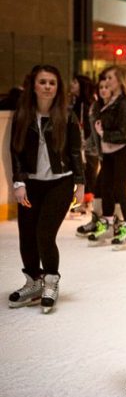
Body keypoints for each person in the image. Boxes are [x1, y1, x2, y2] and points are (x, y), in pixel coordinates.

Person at [9, 65, 85, 313]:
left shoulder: (67, 115)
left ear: (58, 87)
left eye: (52, 82)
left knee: (44, 234)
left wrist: (80, 185)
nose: (47, 87)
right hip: (31, 184)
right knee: (26, 236)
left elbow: (75, 152)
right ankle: (33, 281)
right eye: (42, 82)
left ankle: (51, 279)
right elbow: (16, 150)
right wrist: (19, 182)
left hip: (60, 183)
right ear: (33, 85)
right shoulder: (23, 115)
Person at [88, 66, 126, 249]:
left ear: (119, 81)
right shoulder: (107, 102)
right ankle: (108, 223)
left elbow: (124, 133)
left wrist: (103, 133)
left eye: (110, 78)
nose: (106, 81)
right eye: (106, 78)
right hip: (108, 152)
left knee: (119, 189)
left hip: (124, 150)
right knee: (105, 187)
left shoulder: (124, 103)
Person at [76, 74, 110, 239]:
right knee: (100, 188)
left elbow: (122, 133)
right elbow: (93, 136)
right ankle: (99, 220)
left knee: (111, 189)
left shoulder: (116, 107)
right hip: (103, 154)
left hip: (118, 154)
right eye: (101, 87)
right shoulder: (96, 107)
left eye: (107, 87)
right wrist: (85, 145)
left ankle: (114, 223)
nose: (104, 90)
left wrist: (104, 136)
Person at [70, 75, 96, 214]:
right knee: (85, 171)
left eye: (74, 82)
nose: (71, 84)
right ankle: (85, 201)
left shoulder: (86, 104)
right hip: (83, 144)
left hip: (88, 145)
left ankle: (88, 202)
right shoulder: (76, 102)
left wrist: (86, 143)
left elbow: (86, 126)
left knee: (89, 173)